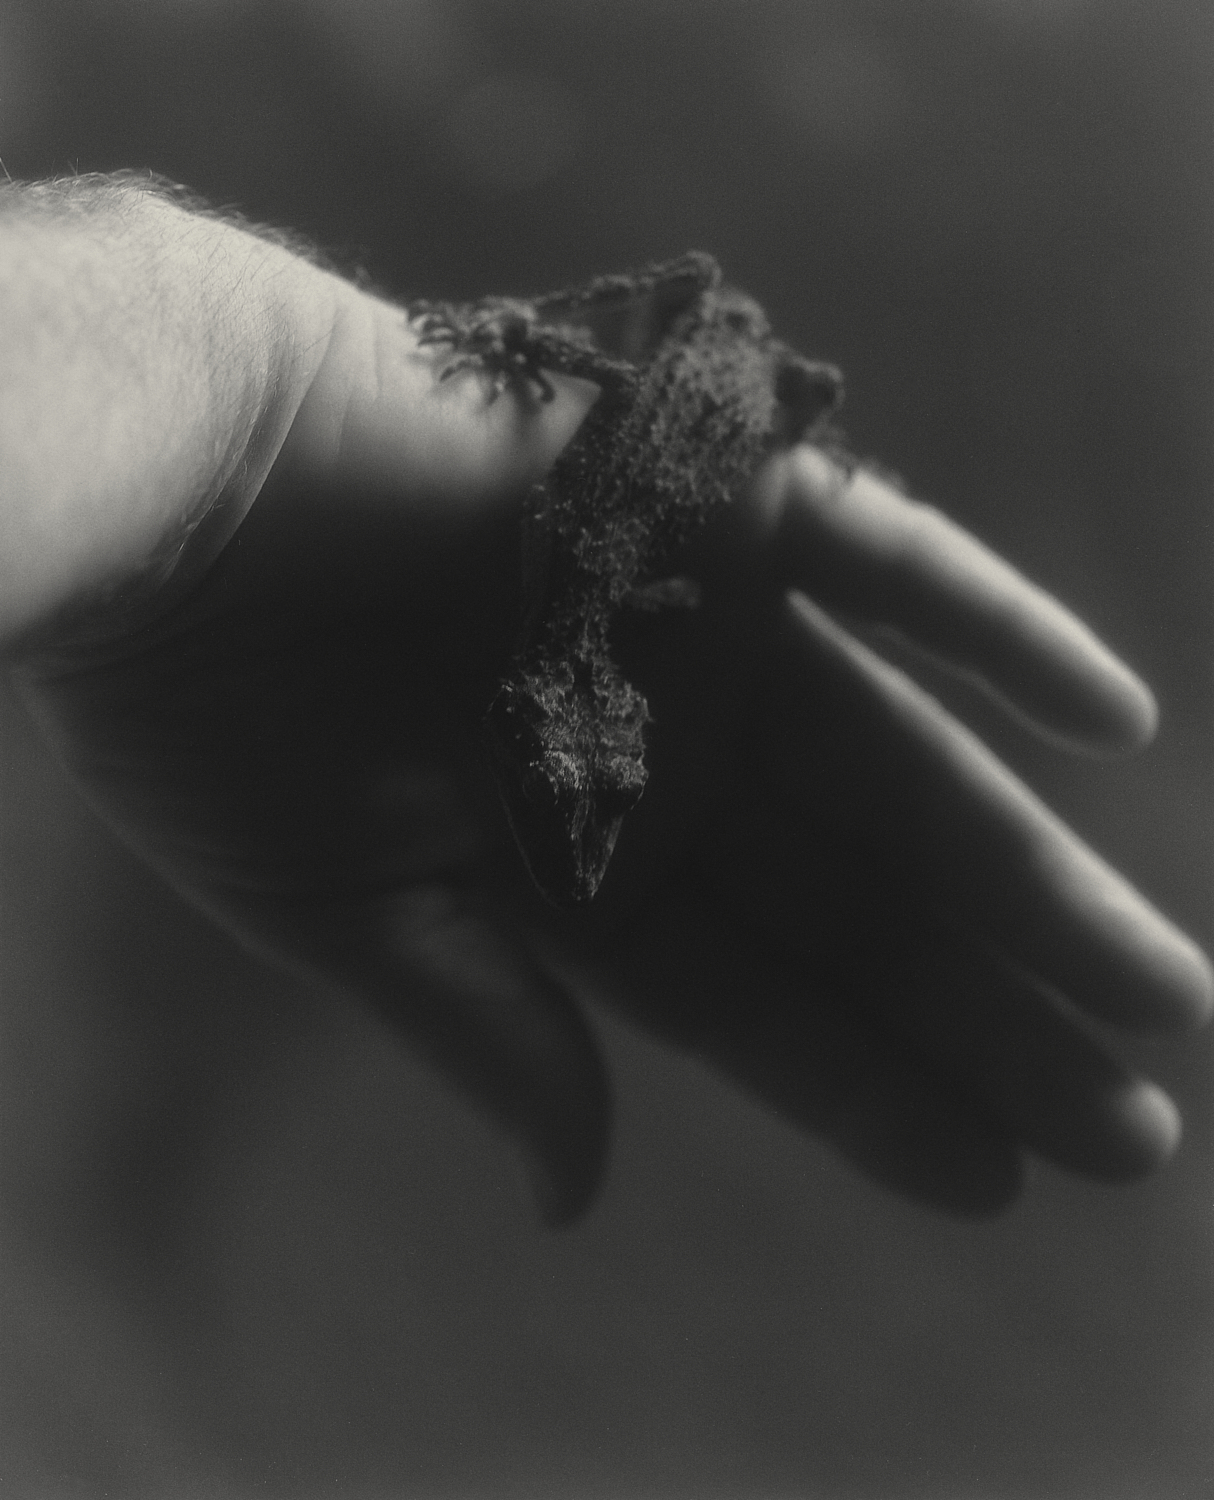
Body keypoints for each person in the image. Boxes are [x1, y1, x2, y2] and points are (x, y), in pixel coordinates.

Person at [1, 171, 1209, 1227]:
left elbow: (649, 428)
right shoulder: (588, 549)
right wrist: (267, 395)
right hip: (676, 414)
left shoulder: (595, 546)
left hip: (689, 409)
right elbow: (630, 426)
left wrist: (263, 395)